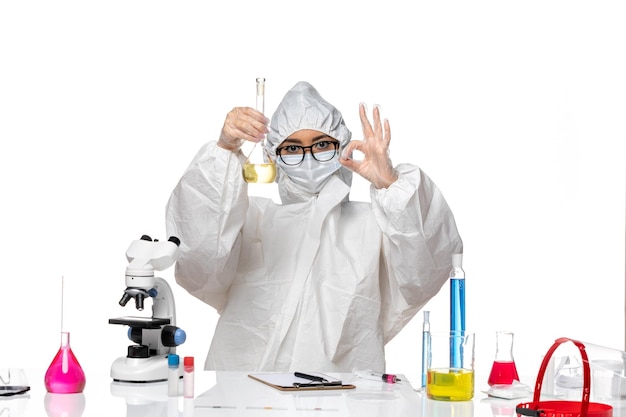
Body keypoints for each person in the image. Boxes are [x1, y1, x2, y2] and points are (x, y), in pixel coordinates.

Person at [165, 81, 463, 372]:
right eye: (292, 148)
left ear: (343, 148)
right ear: (273, 156)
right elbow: (197, 261)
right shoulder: (249, 219)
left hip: (343, 397)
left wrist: (391, 185)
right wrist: (224, 151)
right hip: (244, 393)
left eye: (322, 145)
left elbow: (426, 271)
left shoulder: (375, 226)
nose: (308, 159)